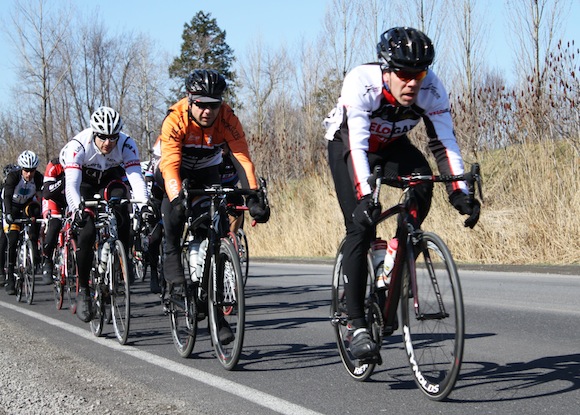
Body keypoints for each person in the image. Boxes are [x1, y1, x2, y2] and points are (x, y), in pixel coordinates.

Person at [324, 27, 481, 359]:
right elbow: (356, 146)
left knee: (423, 180)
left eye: (418, 74)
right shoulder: (361, 82)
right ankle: (356, 325)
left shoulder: (432, 89)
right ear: (387, 70)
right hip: (349, 146)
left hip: (394, 147)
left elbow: (444, 142)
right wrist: (366, 197)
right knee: (360, 226)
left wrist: (460, 191)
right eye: (404, 74)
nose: (412, 82)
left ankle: (395, 255)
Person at [154, 69, 269, 343]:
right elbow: (170, 165)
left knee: (214, 229)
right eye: (201, 105)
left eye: (213, 105)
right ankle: (173, 269)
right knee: (175, 217)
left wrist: (253, 196)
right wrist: (176, 198)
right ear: (189, 100)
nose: (207, 111)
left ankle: (216, 312)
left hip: (207, 169)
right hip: (175, 170)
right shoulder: (175, 119)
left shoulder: (228, 118)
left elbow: (242, 158)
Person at [60, 106, 149, 322]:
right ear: (94, 133)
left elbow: (136, 178)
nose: (108, 142)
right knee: (87, 231)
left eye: (112, 137)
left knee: (122, 208)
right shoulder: (78, 145)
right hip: (85, 182)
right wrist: (77, 210)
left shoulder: (126, 144)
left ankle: (123, 259)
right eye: (102, 137)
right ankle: (84, 290)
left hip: (110, 178)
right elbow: (72, 185)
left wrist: (144, 205)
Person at [2, 151, 43, 295]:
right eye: (26, 170)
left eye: (32, 170)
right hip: (12, 207)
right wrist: (8, 214)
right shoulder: (13, 177)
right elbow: (7, 196)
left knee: (36, 212)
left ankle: (34, 247)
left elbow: (41, 196)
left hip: (26, 205)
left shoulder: (38, 178)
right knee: (12, 239)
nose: (29, 174)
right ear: (21, 169)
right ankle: (10, 277)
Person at [40, 158, 66, 285]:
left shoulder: (84, 163)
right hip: (53, 199)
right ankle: (47, 261)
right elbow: (47, 192)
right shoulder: (54, 165)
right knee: (54, 225)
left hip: (69, 199)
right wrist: (64, 181)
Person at [0, 163, 19, 287]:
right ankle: (1, 271)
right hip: (4, 215)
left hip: (14, 214)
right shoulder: (3, 188)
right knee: (2, 240)